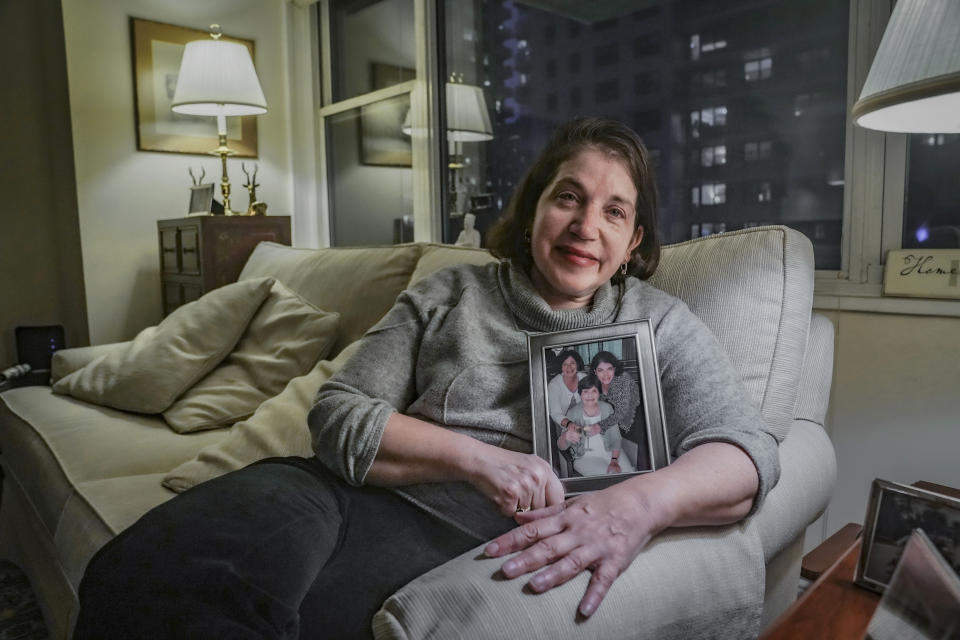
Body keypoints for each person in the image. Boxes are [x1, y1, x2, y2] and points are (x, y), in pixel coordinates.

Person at [73, 117, 779, 638]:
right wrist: (482, 461)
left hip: (449, 544)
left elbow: (747, 452)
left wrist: (634, 508)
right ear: (535, 206)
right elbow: (340, 413)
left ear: (633, 246)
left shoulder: (660, 324)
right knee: (134, 578)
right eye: (567, 197)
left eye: (614, 211)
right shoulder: (450, 295)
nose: (585, 224)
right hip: (340, 496)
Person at [557, 375, 635, 476]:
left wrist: (614, 460)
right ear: (580, 394)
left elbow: (615, 438)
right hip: (586, 458)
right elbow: (561, 447)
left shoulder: (607, 408)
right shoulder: (572, 413)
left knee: (630, 474)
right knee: (607, 478)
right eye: (586, 391)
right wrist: (565, 437)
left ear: (599, 393)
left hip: (611, 452)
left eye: (594, 391)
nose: (590, 396)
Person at [546, 348, 586, 428]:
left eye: (572, 363)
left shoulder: (584, 378)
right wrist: (569, 424)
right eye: (565, 364)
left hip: (585, 421)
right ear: (561, 367)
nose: (569, 367)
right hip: (564, 425)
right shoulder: (554, 385)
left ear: (577, 364)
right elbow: (555, 413)